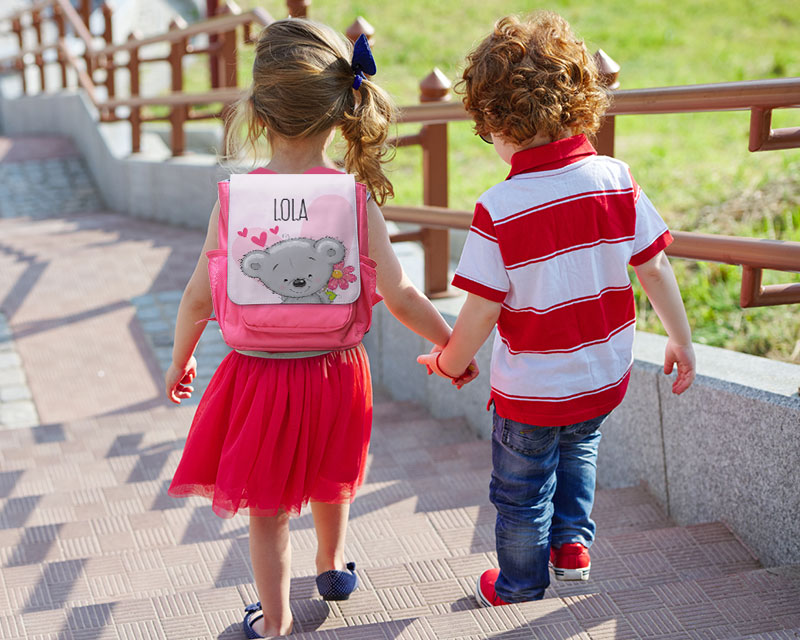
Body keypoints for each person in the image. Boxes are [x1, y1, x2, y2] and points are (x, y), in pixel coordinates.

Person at [164, 19, 475, 638]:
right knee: (336, 470)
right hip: (337, 372)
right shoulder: (354, 201)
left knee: (268, 507)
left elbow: (199, 298)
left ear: (255, 115)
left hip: (257, 375)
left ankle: (275, 621)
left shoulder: (234, 201)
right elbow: (402, 294)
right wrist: (451, 345)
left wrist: (182, 359)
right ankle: (332, 565)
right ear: (341, 112)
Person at [418, 11, 696, 606]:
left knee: (520, 491)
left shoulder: (500, 208)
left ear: (497, 120)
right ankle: (571, 547)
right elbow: (654, 265)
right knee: (579, 452)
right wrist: (681, 338)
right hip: (602, 374)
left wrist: (449, 361)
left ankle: (520, 584)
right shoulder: (614, 179)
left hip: (532, 390)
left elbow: (481, 312)